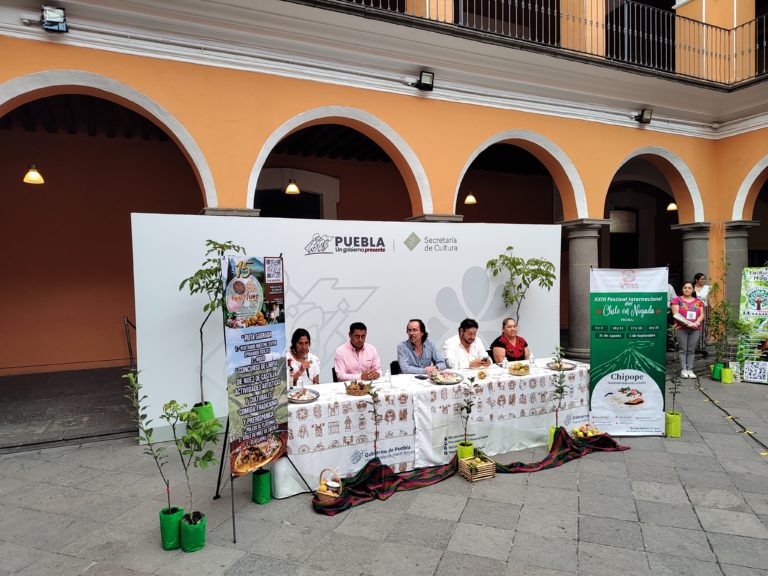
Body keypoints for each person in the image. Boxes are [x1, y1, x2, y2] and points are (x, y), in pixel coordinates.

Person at [671, 281, 704, 378]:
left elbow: (702, 314)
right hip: (681, 328)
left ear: (693, 290)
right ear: (682, 289)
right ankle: (683, 370)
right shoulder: (677, 300)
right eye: (685, 287)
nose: (687, 289)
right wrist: (688, 324)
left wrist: (697, 322)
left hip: (695, 328)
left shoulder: (698, 302)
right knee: (683, 350)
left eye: (689, 288)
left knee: (691, 350)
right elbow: (676, 314)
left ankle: (690, 369)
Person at [693, 272, 710, 356]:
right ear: (696, 280)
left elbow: (710, 300)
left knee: (703, 328)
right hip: (693, 309)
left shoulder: (707, 288)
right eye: (702, 279)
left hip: (704, 308)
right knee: (693, 326)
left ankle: (702, 347)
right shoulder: (691, 287)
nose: (704, 280)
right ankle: (694, 347)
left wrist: (711, 310)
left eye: (704, 279)